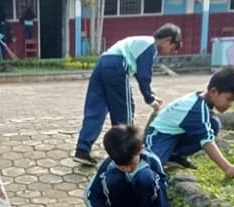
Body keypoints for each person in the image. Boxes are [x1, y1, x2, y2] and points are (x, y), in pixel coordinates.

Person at [73, 24, 182, 166]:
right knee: (124, 111)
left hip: (103, 62)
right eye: (172, 48)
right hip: (117, 65)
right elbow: (143, 76)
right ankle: (125, 153)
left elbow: (140, 74)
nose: (169, 52)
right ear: (168, 40)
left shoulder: (142, 42)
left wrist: (152, 95)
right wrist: (150, 99)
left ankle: (82, 150)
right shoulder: (151, 46)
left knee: (95, 110)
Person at [144, 65, 234, 178]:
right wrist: (227, 167)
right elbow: (207, 143)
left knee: (213, 124)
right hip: (159, 135)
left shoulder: (202, 102)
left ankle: (175, 156)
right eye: (229, 99)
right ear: (213, 91)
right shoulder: (196, 109)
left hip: (176, 134)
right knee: (152, 168)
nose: (230, 104)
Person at [85, 124, 169, 207]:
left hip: (144, 202)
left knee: (146, 178)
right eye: (121, 166)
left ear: (140, 149)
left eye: (131, 163)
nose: (127, 169)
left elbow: (162, 197)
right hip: (118, 203)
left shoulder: (152, 161)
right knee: (112, 178)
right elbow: (90, 196)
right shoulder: (107, 164)